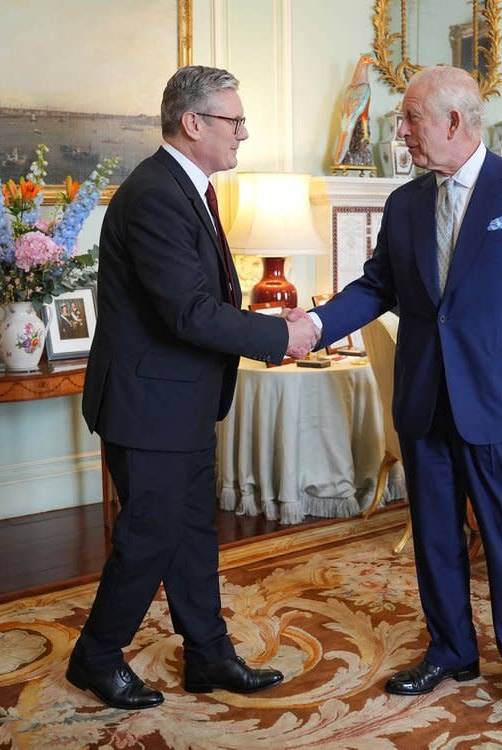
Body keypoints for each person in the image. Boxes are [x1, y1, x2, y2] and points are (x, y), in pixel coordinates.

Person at [297, 66, 502, 717]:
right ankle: (451, 648)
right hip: (425, 398)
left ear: (455, 122)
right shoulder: (403, 204)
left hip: (501, 399)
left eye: (410, 119)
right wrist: (312, 325)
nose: (400, 132)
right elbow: (376, 287)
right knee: (433, 532)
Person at [69, 65, 319, 711]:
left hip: (180, 401)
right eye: (234, 121)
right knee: (149, 536)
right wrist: (277, 336)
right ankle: (94, 658)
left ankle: (207, 656)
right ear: (194, 122)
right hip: (149, 405)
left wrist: (269, 327)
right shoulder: (156, 193)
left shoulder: (186, 189)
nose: (244, 133)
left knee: (191, 533)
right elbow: (187, 312)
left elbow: (202, 301)